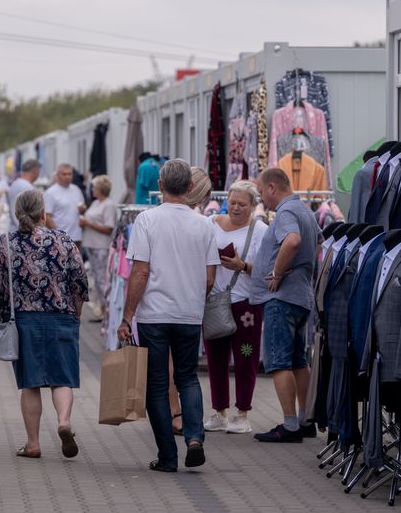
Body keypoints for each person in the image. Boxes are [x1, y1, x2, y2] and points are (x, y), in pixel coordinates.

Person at [119, 159, 218, 472]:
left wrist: (127, 315)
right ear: (190, 188)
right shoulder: (204, 224)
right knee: (188, 378)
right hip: (189, 314)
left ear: (160, 187)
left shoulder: (147, 221)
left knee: (158, 384)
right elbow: (211, 277)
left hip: (154, 315)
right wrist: (192, 299)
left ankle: (167, 456)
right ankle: (194, 438)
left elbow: (140, 271)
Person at [0, 189, 89, 459]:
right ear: (43, 213)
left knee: (29, 384)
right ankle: (64, 423)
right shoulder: (64, 240)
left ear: (18, 213)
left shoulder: (6, 243)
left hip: (23, 320)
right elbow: (79, 282)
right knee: (62, 378)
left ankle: (33, 444)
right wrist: (76, 313)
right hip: (62, 317)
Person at [252, 167, 320, 443]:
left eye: (260, 192)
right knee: (297, 361)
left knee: (279, 363)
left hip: (282, 298)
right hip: (300, 296)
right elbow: (317, 247)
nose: (261, 199)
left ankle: (290, 425)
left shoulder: (286, 212)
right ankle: (305, 419)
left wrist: (278, 274)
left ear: (272, 188)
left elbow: (292, 241)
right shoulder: (306, 211)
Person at [203, 180, 269, 435]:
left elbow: (267, 269)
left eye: (242, 204)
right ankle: (219, 411)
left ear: (254, 206)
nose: (236, 208)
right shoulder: (212, 224)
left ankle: (243, 412)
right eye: (232, 203)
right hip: (215, 302)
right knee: (215, 358)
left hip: (246, 305)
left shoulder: (260, 230)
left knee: (245, 359)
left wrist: (242, 266)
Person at [79, 174, 117, 321]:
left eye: (94, 187)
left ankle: (108, 313)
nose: (92, 189)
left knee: (103, 280)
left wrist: (88, 223)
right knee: (97, 279)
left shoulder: (109, 205)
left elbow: (109, 228)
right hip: (92, 245)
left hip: (102, 246)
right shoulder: (96, 203)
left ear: (100, 189)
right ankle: (102, 310)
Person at [45, 163, 86, 245]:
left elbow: (83, 209)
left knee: (76, 258)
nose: (67, 176)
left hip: (76, 237)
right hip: (59, 239)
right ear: (57, 175)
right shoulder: (50, 192)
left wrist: (83, 210)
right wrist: (58, 235)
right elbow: (47, 216)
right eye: (64, 174)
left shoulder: (76, 190)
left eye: (69, 174)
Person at [8, 159, 42, 230]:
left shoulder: (15, 183)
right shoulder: (28, 187)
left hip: (14, 228)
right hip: (24, 230)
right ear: (35, 171)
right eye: (39, 171)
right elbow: (31, 211)